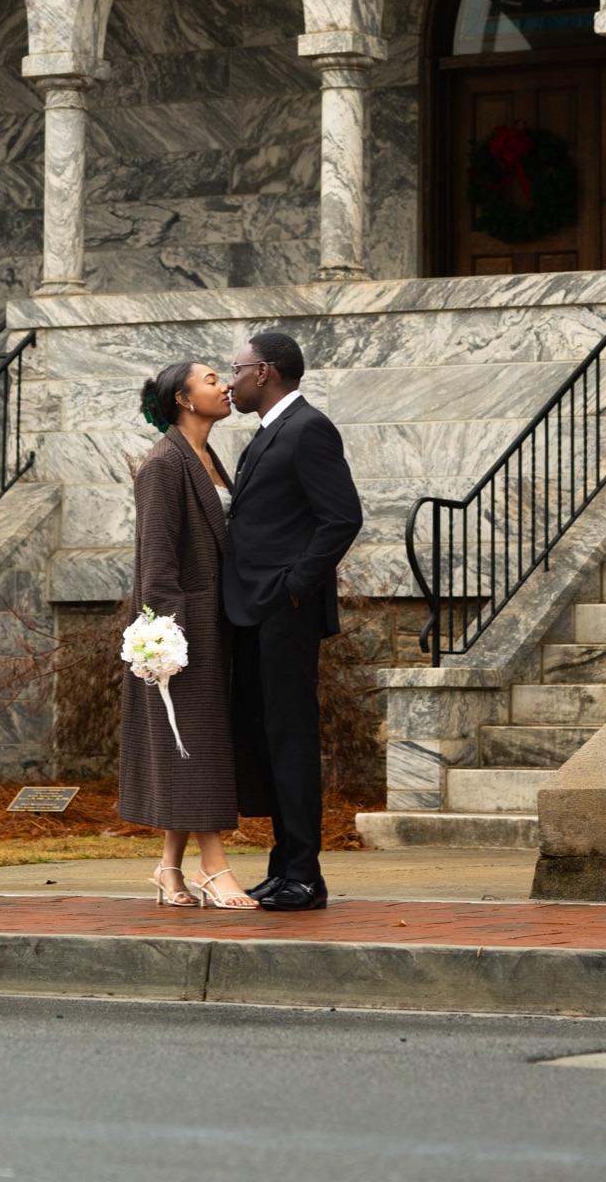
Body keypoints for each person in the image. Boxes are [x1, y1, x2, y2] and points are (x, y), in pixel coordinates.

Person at [224, 329, 363, 911]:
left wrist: (294, 588)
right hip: (251, 614)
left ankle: (305, 876)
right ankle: (285, 867)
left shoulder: (309, 428)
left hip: (284, 613)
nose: (230, 381)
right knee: (268, 740)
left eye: (236, 369)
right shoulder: (264, 435)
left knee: (292, 741)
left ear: (265, 372)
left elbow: (342, 517)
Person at [118, 360, 258, 909]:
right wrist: (169, 640)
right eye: (210, 381)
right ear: (182, 398)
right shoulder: (162, 465)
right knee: (196, 750)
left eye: (224, 378)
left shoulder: (206, 458)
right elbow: (155, 565)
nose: (225, 385)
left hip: (215, 626)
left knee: (188, 749)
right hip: (179, 635)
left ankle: (168, 869)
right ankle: (214, 867)